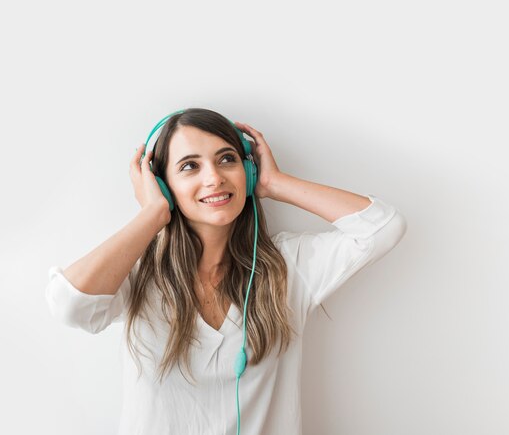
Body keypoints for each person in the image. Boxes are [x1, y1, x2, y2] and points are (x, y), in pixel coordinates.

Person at [45, 107, 408, 435]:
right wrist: (153, 214)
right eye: (190, 166)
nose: (214, 178)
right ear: (162, 185)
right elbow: (70, 305)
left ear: (248, 172)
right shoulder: (136, 271)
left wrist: (273, 184)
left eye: (227, 160)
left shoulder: (288, 265)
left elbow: (383, 228)